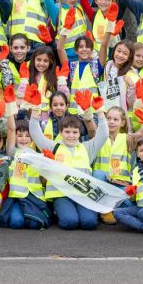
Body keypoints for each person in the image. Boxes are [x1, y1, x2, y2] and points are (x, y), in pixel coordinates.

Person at [28, 95, 109, 230]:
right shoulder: (53, 147)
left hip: (82, 194)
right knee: (69, 223)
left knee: (89, 223)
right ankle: (58, 211)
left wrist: (100, 111)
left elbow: (103, 135)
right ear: (61, 132)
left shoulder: (87, 148)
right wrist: (35, 110)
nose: (71, 135)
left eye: (74, 132)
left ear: (79, 134)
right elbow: (36, 134)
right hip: (62, 195)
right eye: (67, 132)